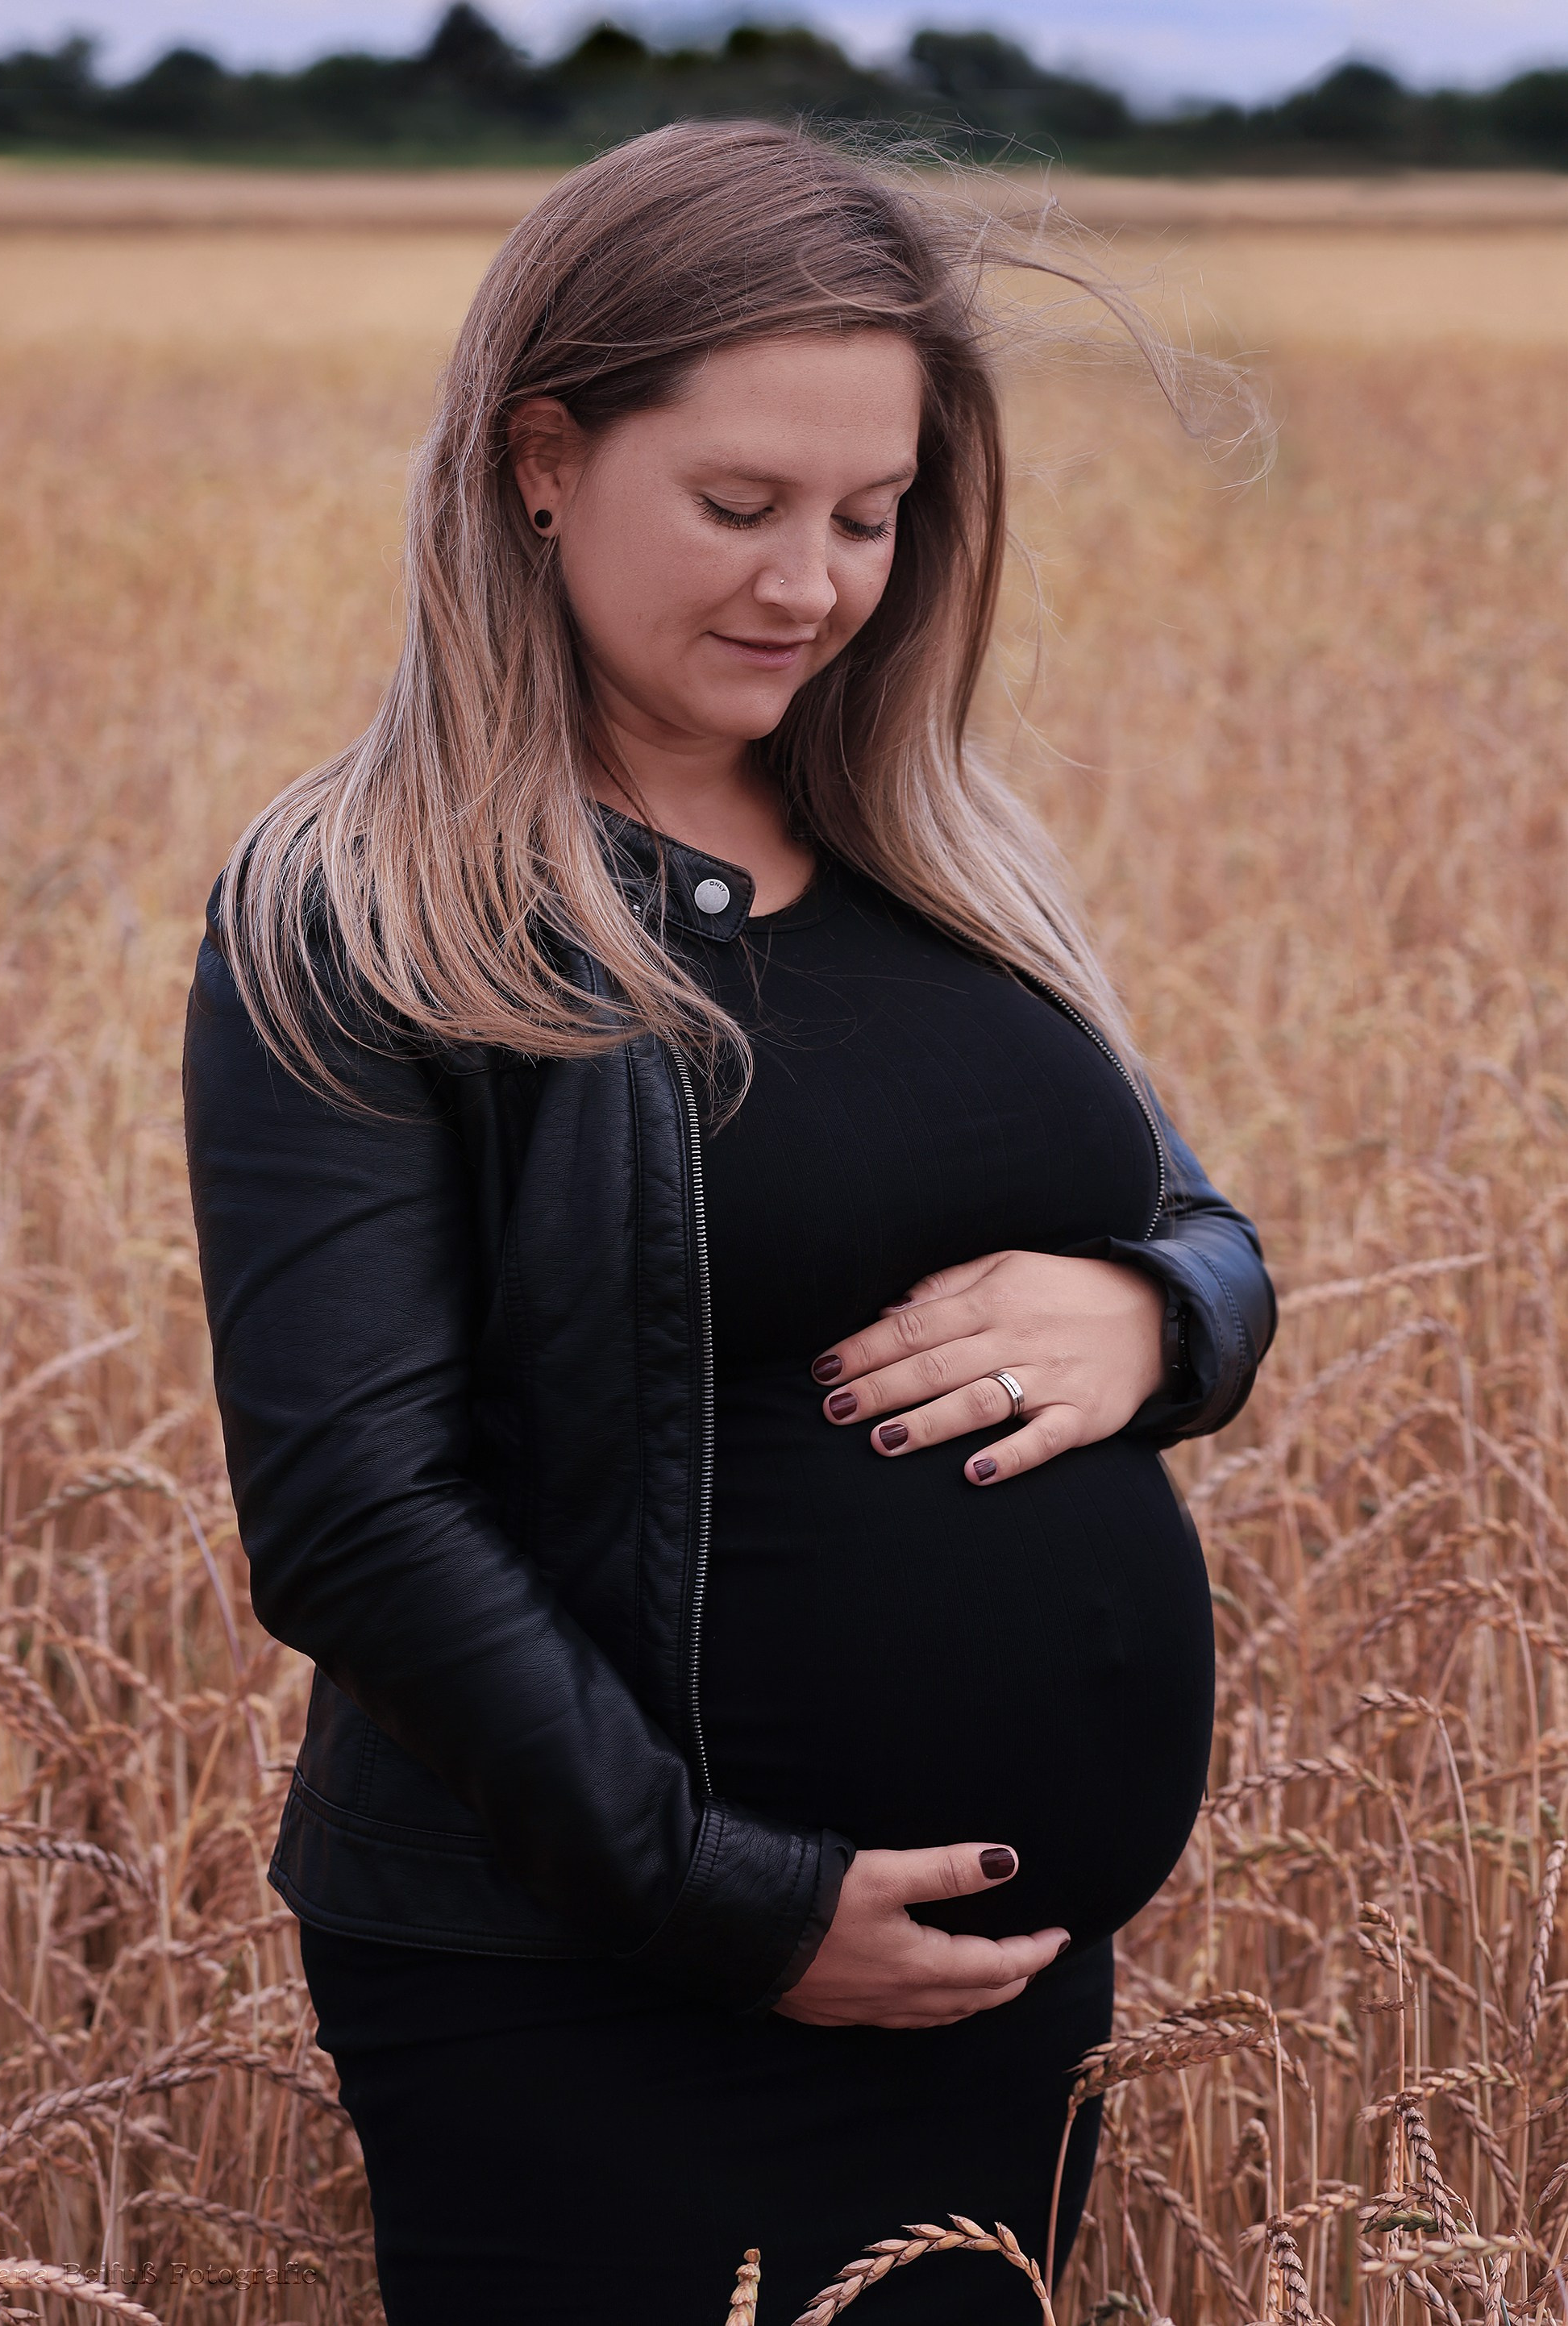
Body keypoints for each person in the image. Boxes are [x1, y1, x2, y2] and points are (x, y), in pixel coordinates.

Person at [183, 120, 1275, 2325]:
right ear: (541, 460)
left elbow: (1180, 1213)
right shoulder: (370, 907)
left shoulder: (935, 849)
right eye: (741, 507)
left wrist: (1167, 1310)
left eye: (870, 516)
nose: (813, 583)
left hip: (984, 2010)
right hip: (587, 1994)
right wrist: (736, 1903)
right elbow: (349, 1510)